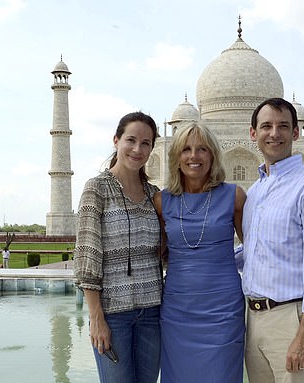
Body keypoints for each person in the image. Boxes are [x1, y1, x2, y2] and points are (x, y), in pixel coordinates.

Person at [242, 98, 304, 383]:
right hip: (255, 318)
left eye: (283, 126)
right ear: (253, 134)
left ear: (296, 133)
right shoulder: (257, 191)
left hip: (291, 318)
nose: (274, 133)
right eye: (266, 126)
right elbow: (253, 249)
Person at [74, 112, 163, 383]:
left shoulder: (154, 194)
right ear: (116, 141)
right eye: (131, 140)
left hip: (152, 312)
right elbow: (88, 257)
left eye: (145, 143)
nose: (137, 149)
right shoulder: (97, 189)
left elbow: (165, 252)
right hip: (113, 315)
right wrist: (96, 317)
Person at [153, 123, 246, 383]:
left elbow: (256, 251)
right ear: (176, 157)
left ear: (213, 155)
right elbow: (154, 253)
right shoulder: (162, 201)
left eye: (202, 149)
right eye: (186, 149)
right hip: (178, 308)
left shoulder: (234, 197)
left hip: (223, 310)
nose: (194, 156)